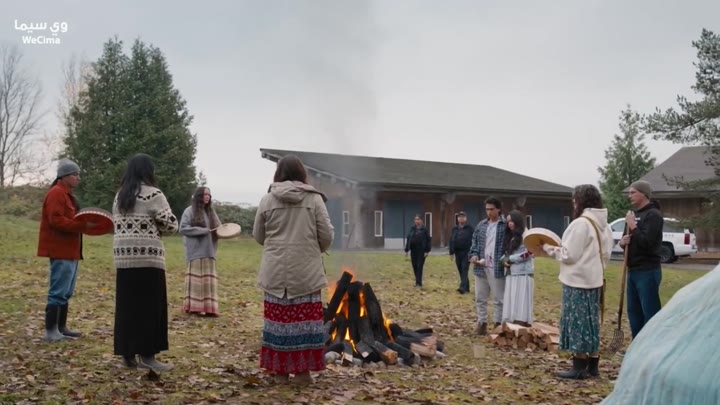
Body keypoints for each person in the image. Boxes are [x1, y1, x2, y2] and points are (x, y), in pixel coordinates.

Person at [253, 154, 334, 385]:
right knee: (305, 325)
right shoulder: (314, 199)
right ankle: (302, 373)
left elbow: (258, 235)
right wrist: (314, 249)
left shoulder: (267, 200)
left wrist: (275, 247)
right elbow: (326, 234)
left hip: (275, 272)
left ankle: (280, 373)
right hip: (306, 272)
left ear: (278, 173)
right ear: (301, 173)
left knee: (278, 324)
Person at [112, 154, 178, 371]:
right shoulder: (153, 194)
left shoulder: (120, 196)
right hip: (148, 258)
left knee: (127, 308)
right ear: (148, 171)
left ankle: (127, 355)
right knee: (150, 308)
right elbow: (171, 225)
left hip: (123, 259)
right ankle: (148, 357)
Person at [541, 184, 613, 379]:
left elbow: (569, 254)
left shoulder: (581, 224)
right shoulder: (603, 225)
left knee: (578, 322)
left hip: (578, 281)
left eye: (574, 200)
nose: (573, 203)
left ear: (580, 201)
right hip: (594, 279)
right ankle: (593, 364)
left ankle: (579, 366)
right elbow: (606, 254)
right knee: (591, 322)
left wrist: (548, 248)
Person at [37, 159, 94, 341]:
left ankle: (61, 328)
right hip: (60, 249)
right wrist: (81, 226)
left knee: (66, 291)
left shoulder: (68, 195)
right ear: (64, 176)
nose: (79, 178)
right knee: (58, 291)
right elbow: (56, 219)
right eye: (75, 174)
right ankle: (51, 331)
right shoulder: (56, 193)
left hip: (71, 250)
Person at [619, 180, 664, 339]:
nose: (629, 196)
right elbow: (629, 240)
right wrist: (622, 242)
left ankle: (652, 345)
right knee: (634, 312)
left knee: (649, 312)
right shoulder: (633, 215)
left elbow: (648, 243)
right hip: (632, 270)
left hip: (647, 271)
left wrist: (633, 226)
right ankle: (637, 346)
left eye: (633, 192)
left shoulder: (654, 215)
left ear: (644, 194)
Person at [180, 186, 222, 316]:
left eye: (209, 195)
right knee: (197, 281)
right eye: (205, 194)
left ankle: (210, 309)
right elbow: (183, 228)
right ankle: (195, 308)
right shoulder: (189, 211)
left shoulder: (211, 212)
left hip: (209, 251)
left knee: (208, 282)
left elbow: (219, 228)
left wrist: (225, 230)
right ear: (199, 196)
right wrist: (202, 231)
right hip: (195, 252)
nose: (207, 197)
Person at [469, 197, 506, 335]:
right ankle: (482, 323)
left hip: (497, 266)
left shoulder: (504, 225)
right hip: (481, 266)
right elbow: (474, 242)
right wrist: (474, 255)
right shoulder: (482, 225)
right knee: (480, 297)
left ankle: (498, 323)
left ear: (498, 209)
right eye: (487, 209)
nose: (489, 212)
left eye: (492, 209)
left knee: (498, 298)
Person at [501, 210, 534, 327]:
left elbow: (529, 253)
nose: (510, 223)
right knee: (511, 298)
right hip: (511, 272)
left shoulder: (527, 235)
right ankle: (511, 322)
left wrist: (511, 259)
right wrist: (503, 260)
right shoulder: (511, 235)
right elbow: (507, 252)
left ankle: (521, 321)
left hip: (523, 273)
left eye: (512, 221)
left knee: (521, 298)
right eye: (508, 221)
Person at [449, 212, 474, 294]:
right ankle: (466, 287)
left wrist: (473, 252)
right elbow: (451, 240)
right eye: (459, 217)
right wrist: (451, 252)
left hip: (467, 252)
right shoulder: (454, 229)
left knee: (464, 268)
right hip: (457, 252)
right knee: (460, 269)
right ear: (457, 219)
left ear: (466, 218)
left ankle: (462, 287)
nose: (461, 218)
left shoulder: (470, 229)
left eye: (463, 217)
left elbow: (474, 240)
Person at [404, 215, 432, 288]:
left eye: (418, 219)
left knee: (419, 266)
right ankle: (417, 281)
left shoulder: (424, 230)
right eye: (416, 219)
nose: (417, 221)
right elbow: (408, 239)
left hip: (421, 251)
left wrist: (427, 251)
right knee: (415, 266)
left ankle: (419, 283)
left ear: (421, 220)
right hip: (413, 250)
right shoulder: (412, 229)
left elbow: (428, 241)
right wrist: (406, 250)